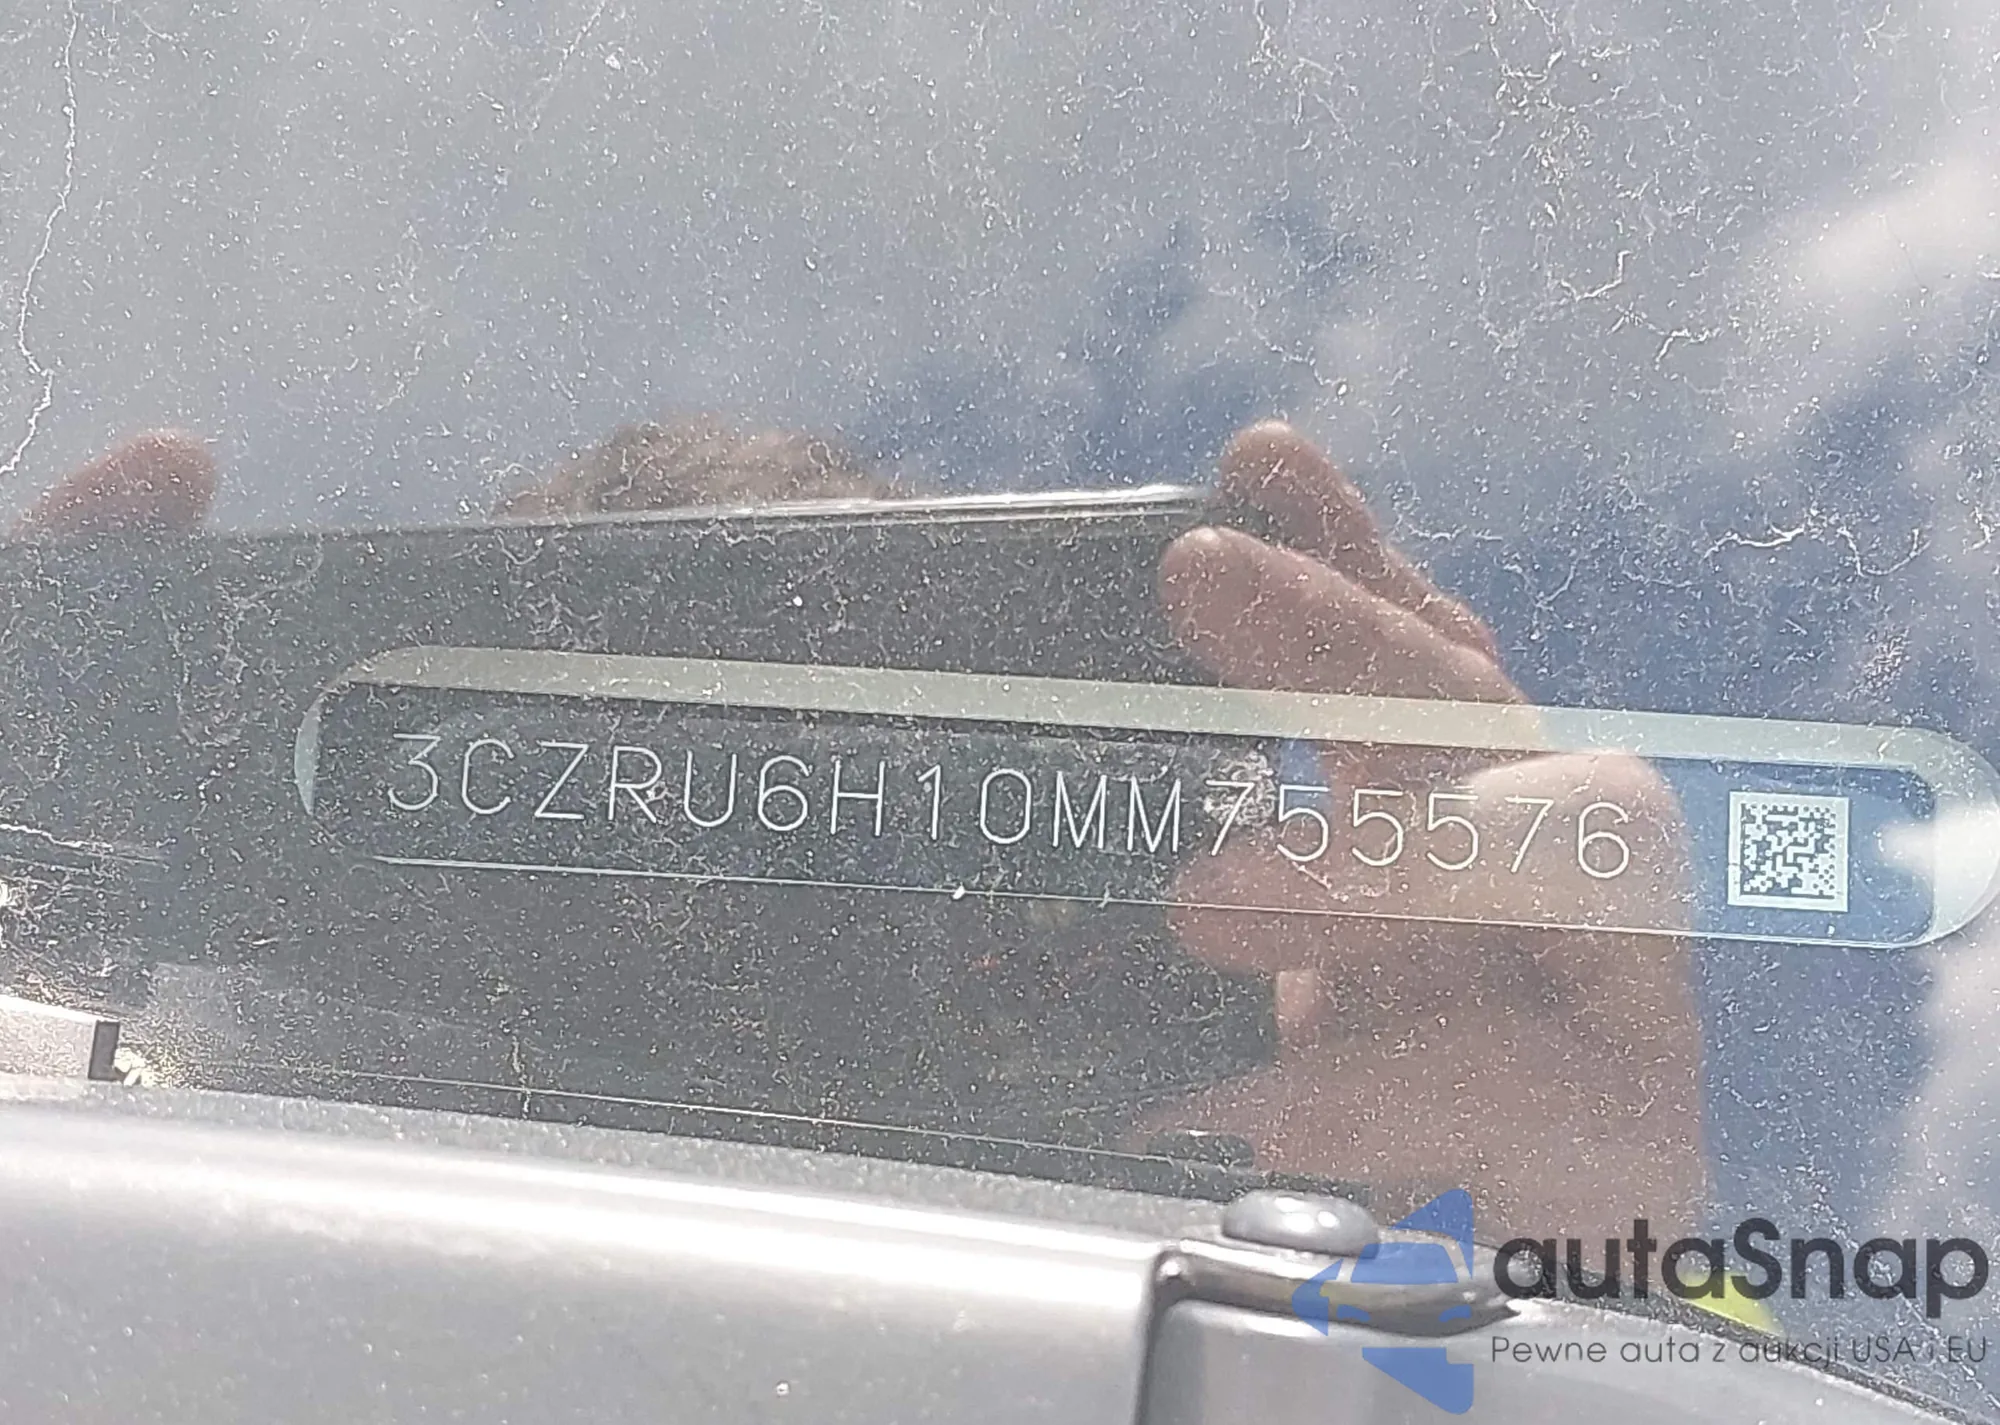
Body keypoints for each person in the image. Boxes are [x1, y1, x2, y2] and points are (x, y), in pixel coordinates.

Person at [3, 418, 1705, 1243]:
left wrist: (1588, 1314)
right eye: (582, 899)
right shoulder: (109, 1155)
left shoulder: (1267, 1319)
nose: (731, 1026)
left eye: (885, 844)